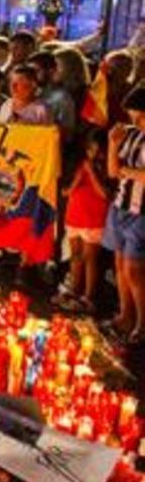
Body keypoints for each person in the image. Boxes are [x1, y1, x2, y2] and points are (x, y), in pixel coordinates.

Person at [103, 87, 145, 344]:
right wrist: (112, 145)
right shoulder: (129, 135)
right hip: (120, 205)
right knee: (119, 264)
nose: (135, 122)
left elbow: (125, 172)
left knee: (134, 268)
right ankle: (124, 314)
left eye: (140, 117)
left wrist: (126, 171)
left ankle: (142, 322)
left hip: (142, 212)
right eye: (132, 117)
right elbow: (112, 171)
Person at [61, 130, 108, 310]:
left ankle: (88, 297)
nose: (94, 155)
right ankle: (74, 290)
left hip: (93, 219)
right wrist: (79, 177)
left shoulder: (106, 169)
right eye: (90, 150)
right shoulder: (77, 165)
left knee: (90, 259)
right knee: (76, 256)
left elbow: (105, 194)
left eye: (98, 151)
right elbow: (66, 192)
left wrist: (92, 173)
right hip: (75, 216)